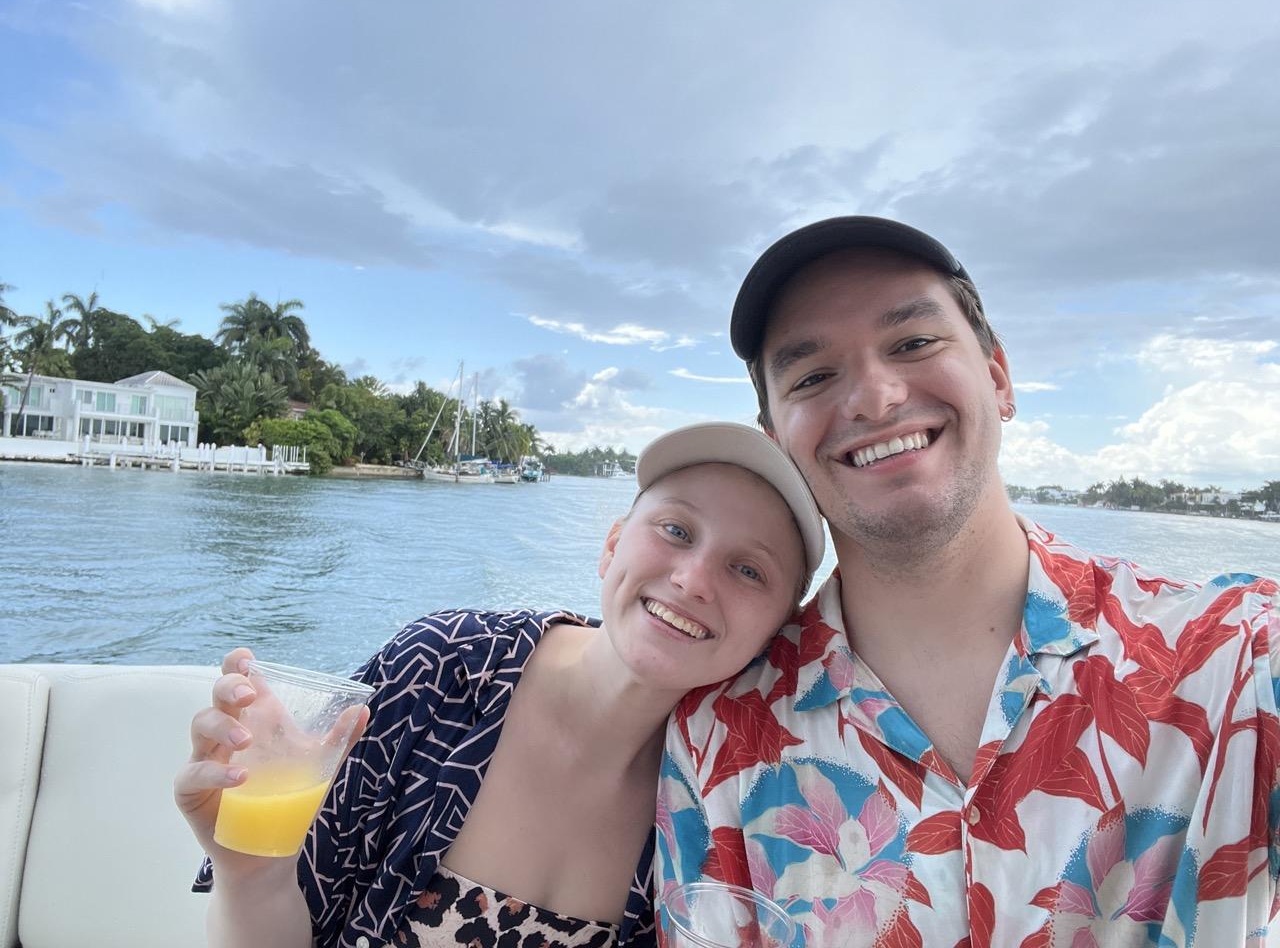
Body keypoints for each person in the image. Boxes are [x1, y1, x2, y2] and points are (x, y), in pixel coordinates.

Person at [656, 217, 1280, 946]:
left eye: (914, 343)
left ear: (998, 377)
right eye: (814, 376)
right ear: (778, 446)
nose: (875, 398)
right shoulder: (718, 736)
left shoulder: (1230, 662)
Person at [175, 421, 825, 948]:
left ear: (777, 630)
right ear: (613, 546)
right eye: (677, 530)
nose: (694, 578)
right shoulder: (441, 672)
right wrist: (253, 877)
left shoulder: (720, 801)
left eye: (748, 570)